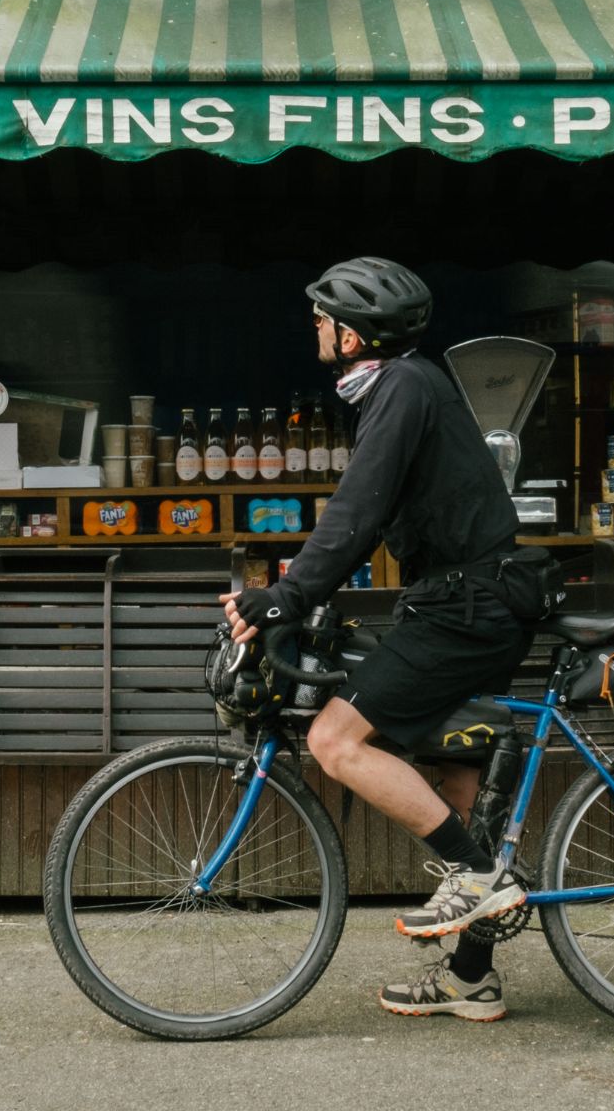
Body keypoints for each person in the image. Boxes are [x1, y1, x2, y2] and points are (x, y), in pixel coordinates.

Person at [222, 256, 534, 1022]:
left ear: (353, 332)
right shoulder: (399, 388)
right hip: (462, 601)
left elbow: (359, 507)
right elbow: (367, 514)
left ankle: (476, 877)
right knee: (456, 771)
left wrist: (285, 598)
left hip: (470, 608)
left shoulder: (402, 387)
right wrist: (299, 591)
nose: (315, 328)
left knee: (335, 739)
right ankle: (471, 978)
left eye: (323, 317)